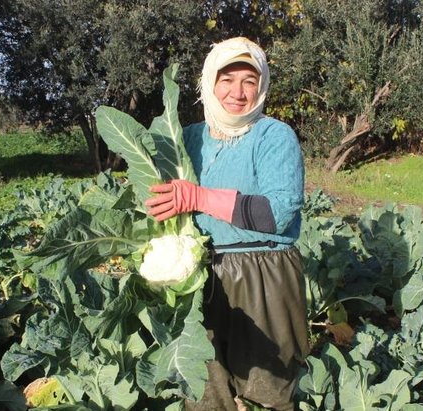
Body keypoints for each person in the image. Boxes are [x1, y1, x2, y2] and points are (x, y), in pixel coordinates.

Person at [144, 37, 309, 411]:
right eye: (227, 79)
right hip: (198, 276)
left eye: (249, 81)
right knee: (204, 390)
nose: (238, 92)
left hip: (262, 274)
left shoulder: (274, 136)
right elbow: (162, 197)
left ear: (262, 86)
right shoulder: (187, 137)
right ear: (209, 82)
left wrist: (199, 198)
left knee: (269, 389)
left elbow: (276, 215)